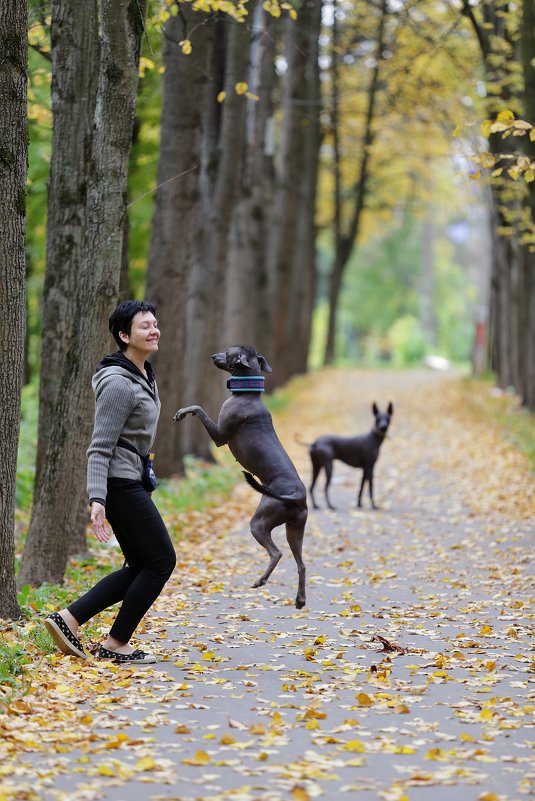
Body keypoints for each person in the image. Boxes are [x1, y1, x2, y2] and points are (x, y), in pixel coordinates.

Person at [44, 300, 176, 664]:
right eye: (144, 326)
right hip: (119, 484)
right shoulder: (119, 383)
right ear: (123, 335)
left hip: (131, 478)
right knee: (162, 560)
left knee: (139, 566)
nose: (153, 330)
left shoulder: (142, 373)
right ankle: (116, 643)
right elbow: (98, 447)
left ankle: (68, 619)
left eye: (155, 323)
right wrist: (97, 498)